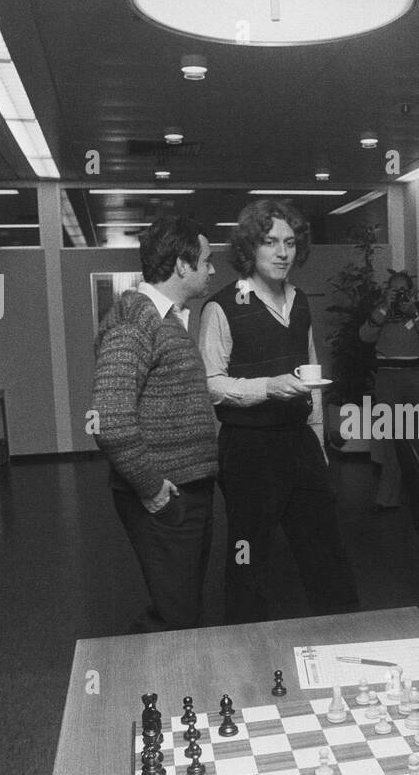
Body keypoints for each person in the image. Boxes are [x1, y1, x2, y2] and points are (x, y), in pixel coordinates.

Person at [199, 198, 359, 623]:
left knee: (327, 552)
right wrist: (267, 387)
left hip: (301, 445)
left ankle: (345, 640)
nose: (282, 252)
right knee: (249, 555)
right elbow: (211, 384)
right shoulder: (221, 306)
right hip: (248, 450)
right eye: (270, 242)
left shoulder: (301, 301)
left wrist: (320, 443)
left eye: (289, 242)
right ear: (250, 248)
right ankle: (245, 649)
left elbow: (311, 375)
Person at [92, 217, 217, 631]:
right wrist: (151, 488)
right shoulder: (135, 321)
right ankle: (160, 689)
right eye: (207, 261)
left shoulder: (169, 319)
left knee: (182, 607)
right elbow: (109, 419)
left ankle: (174, 686)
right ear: (182, 265)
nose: (212, 270)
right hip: (166, 494)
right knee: (178, 616)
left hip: (187, 489)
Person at [359, 270, 419, 511]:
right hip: (388, 380)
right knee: (390, 442)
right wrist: (384, 308)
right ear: (387, 291)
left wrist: (413, 314)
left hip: (418, 379)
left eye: (403, 289)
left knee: (418, 439)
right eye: (394, 289)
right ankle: (388, 499)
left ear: (411, 292)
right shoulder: (380, 313)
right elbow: (364, 335)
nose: (399, 294)